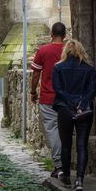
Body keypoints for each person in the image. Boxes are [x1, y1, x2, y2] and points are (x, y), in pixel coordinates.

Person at [52, 39, 96, 191]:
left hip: (65, 109)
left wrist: (71, 104)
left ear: (66, 51)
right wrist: (81, 104)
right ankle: (80, 179)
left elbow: (58, 90)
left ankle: (66, 176)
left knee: (66, 144)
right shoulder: (89, 69)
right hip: (84, 110)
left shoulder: (58, 68)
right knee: (82, 145)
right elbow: (92, 91)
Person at [31, 22, 66, 178]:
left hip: (48, 97)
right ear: (64, 35)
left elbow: (36, 74)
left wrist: (33, 91)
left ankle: (59, 165)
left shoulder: (43, 51)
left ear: (51, 34)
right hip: (67, 98)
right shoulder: (69, 51)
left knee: (52, 130)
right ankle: (67, 162)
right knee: (66, 130)